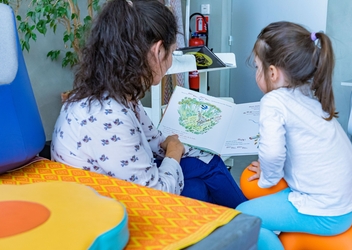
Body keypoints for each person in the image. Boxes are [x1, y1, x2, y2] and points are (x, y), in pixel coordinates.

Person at [51, 0, 247, 209]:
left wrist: (184, 145)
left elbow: (156, 141)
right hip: (107, 206)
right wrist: (173, 152)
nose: (171, 61)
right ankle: (255, 225)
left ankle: (251, 223)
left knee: (207, 164)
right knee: (198, 188)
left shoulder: (118, 92)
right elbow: (154, 193)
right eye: (171, 53)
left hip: (119, 186)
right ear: (157, 51)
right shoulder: (108, 115)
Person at [236, 21, 352, 249]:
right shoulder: (308, 95)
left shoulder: (274, 101)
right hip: (349, 203)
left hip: (328, 212)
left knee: (244, 218)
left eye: (257, 67)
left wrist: (268, 178)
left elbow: (273, 153)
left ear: (272, 72)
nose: (256, 74)